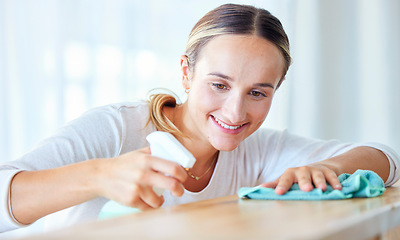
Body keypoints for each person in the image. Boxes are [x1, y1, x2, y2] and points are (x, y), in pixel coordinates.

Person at [0, 3, 399, 233]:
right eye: (219, 84)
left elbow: (386, 159)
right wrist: (100, 174)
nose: (235, 112)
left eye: (258, 92)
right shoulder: (118, 128)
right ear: (187, 72)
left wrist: (326, 167)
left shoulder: (259, 150)